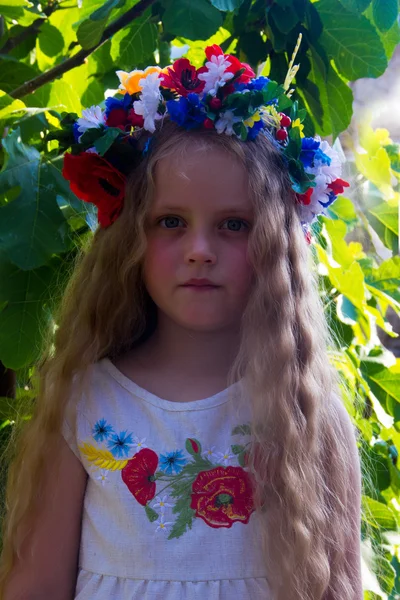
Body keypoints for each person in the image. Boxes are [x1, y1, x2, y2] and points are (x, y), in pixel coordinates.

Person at [0, 41, 362, 600]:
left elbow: (337, 587)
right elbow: (37, 584)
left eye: (234, 225)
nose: (199, 249)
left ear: (276, 245)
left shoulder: (304, 410)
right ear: (129, 240)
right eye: (171, 221)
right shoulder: (82, 403)